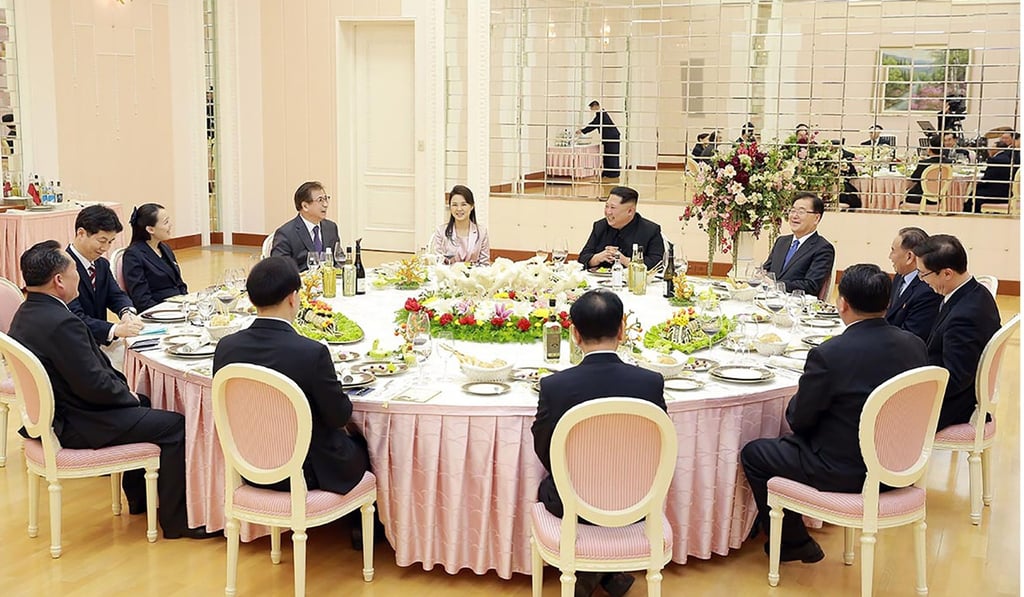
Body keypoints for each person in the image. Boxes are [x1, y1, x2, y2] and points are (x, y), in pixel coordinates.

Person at [8, 241, 218, 540]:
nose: (78, 276)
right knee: (173, 425)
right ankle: (176, 521)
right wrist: (127, 395)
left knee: (144, 402)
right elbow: (93, 385)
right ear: (58, 281)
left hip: (56, 414)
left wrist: (129, 395)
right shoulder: (63, 322)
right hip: (78, 422)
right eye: (73, 271)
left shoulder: (26, 312)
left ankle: (138, 499)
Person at [741, 264, 928, 564]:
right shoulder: (915, 345)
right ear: (888, 303)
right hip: (899, 467)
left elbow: (799, 420)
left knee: (755, 453)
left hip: (845, 472)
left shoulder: (830, 354)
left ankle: (793, 541)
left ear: (842, 304)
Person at [531, 288, 665, 597]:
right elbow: (658, 446)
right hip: (638, 501)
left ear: (574, 334)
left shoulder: (555, 386)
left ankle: (594, 576)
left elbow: (545, 449)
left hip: (572, 503)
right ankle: (607, 575)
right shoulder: (650, 382)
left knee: (548, 487)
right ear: (622, 329)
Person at [213, 256, 371, 496]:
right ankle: (366, 527)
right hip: (306, 471)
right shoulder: (311, 352)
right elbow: (339, 416)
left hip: (249, 464)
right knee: (366, 447)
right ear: (292, 297)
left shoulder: (226, 347)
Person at [911, 234, 1001, 431]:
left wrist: (911, 386)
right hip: (949, 384)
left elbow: (955, 379)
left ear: (947, 273)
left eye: (923, 274)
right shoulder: (974, 292)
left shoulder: (965, 316)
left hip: (954, 404)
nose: (921, 280)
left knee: (868, 409)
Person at [66, 204, 144, 348]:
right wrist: (115, 329)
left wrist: (126, 312)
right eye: (102, 241)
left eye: (110, 242)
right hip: (76, 345)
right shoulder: (63, 269)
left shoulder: (101, 264)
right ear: (81, 233)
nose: (106, 248)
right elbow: (74, 316)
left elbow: (116, 295)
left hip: (99, 341)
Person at [761, 193, 835, 296]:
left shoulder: (823, 248)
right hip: (770, 301)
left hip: (796, 306)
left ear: (816, 218)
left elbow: (811, 285)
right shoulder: (781, 241)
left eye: (801, 212)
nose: (794, 216)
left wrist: (777, 285)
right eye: (792, 210)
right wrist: (759, 275)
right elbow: (766, 270)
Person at [577, 186, 663, 271]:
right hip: (600, 281)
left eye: (613, 207)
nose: (608, 212)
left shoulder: (650, 230)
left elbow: (658, 263)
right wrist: (598, 258)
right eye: (607, 206)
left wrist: (625, 260)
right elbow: (582, 258)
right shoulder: (600, 226)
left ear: (630, 211)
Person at [122, 203, 189, 311]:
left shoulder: (164, 248)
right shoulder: (133, 255)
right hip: (158, 312)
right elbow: (142, 299)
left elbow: (179, 283)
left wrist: (186, 302)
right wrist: (168, 312)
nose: (170, 225)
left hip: (179, 307)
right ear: (150, 229)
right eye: (166, 222)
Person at [885, 227, 941, 341]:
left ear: (909, 256)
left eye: (893, 250)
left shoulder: (927, 290)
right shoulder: (900, 276)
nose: (890, 257)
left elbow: (912, 335)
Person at [271, 181, 341, 271]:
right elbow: (280, 269)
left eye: (326, 198)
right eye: (320, 200)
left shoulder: (331, 228)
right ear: (305, 206)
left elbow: (338, 260)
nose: (325, 204)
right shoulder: (286, 234)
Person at [429, 185, 490, 266]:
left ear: (472, 206)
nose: (459, 209)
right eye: (454, 205)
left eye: (463, 204)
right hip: (448, 277)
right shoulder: (441, 231)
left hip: (473, 277)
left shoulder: (482, 232)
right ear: (450, 207)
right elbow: (438, 264)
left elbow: (484, 265)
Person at [971, 132, 1020, 212]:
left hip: (996, 193)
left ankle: (970, 212)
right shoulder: (1008, 158)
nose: (989, 150)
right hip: (1008, 192)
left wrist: (974, 185)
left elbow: (987, 179)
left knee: (971, 194)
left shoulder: (995, 160)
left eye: (991, 148)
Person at [578, 101, 621, 178]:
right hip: (611, 137)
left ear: (595, 106)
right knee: (609, 155)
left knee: (611, 155)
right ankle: (609, 172)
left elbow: (593, 124)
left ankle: (612, 173)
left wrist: (582, 131)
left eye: (591, 108)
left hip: (611, 137)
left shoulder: (601, 114)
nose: (591, 109)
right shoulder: (601, 114)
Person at [904, 135, 945, 205]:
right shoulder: (948, 162)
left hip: (920, 196)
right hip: (941, 196)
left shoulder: (924, 164)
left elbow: (913, 180)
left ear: (929, 149)